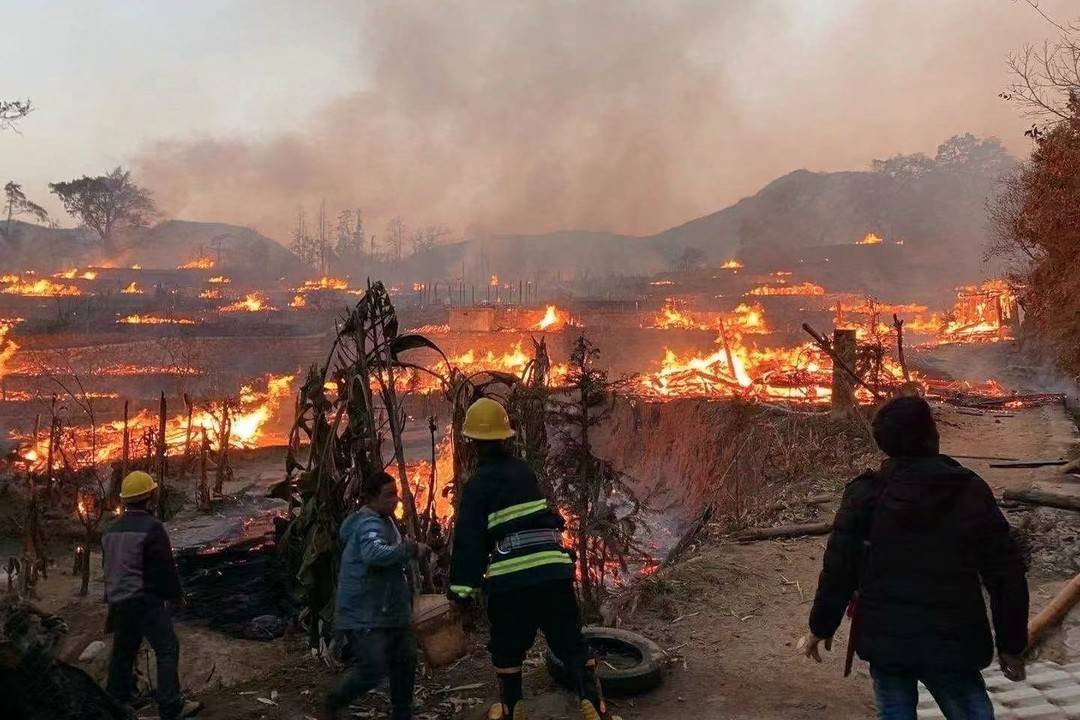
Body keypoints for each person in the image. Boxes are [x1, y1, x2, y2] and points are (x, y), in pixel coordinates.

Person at [803, 396, 1029, 720]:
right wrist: (1011, 645)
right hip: (953, 642)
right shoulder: (969, 491)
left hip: (888, 643)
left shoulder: (866, 494)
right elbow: (1006, 574)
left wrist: (820, 627)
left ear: (883, 443)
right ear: (931, 437)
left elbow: (839, 570)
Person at [448, 398, 621, 720]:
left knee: (508, 646)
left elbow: (470, 542)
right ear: (505, 437)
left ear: (472, 442)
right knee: (569, 640)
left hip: (512, 581)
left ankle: (513, 707)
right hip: (553, 571)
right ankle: (592, 702)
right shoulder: (523, 472)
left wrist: (461, 589)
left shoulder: (476, 485)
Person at [322, 471, 429, 720]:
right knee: (372, 669)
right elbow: (375, 553)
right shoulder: (368, 524)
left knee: (405, 662)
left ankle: (402, 715)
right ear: (371, 498)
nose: (396, 500)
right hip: (366, 615)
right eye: (389, 495)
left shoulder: (384, 520)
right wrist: (410, 549)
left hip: (389, 611)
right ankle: (333, 703)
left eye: (396, 494)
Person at [103, 470, 202, 719]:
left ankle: (115, 705)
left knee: (123, 654)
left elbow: (110, 568)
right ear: (149, 497)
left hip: (119, 602)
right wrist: (176, 596)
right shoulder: (153, 528)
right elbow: (164, 568)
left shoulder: (110, 531)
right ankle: (171, 706)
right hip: (145, 601)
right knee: (167, 648)